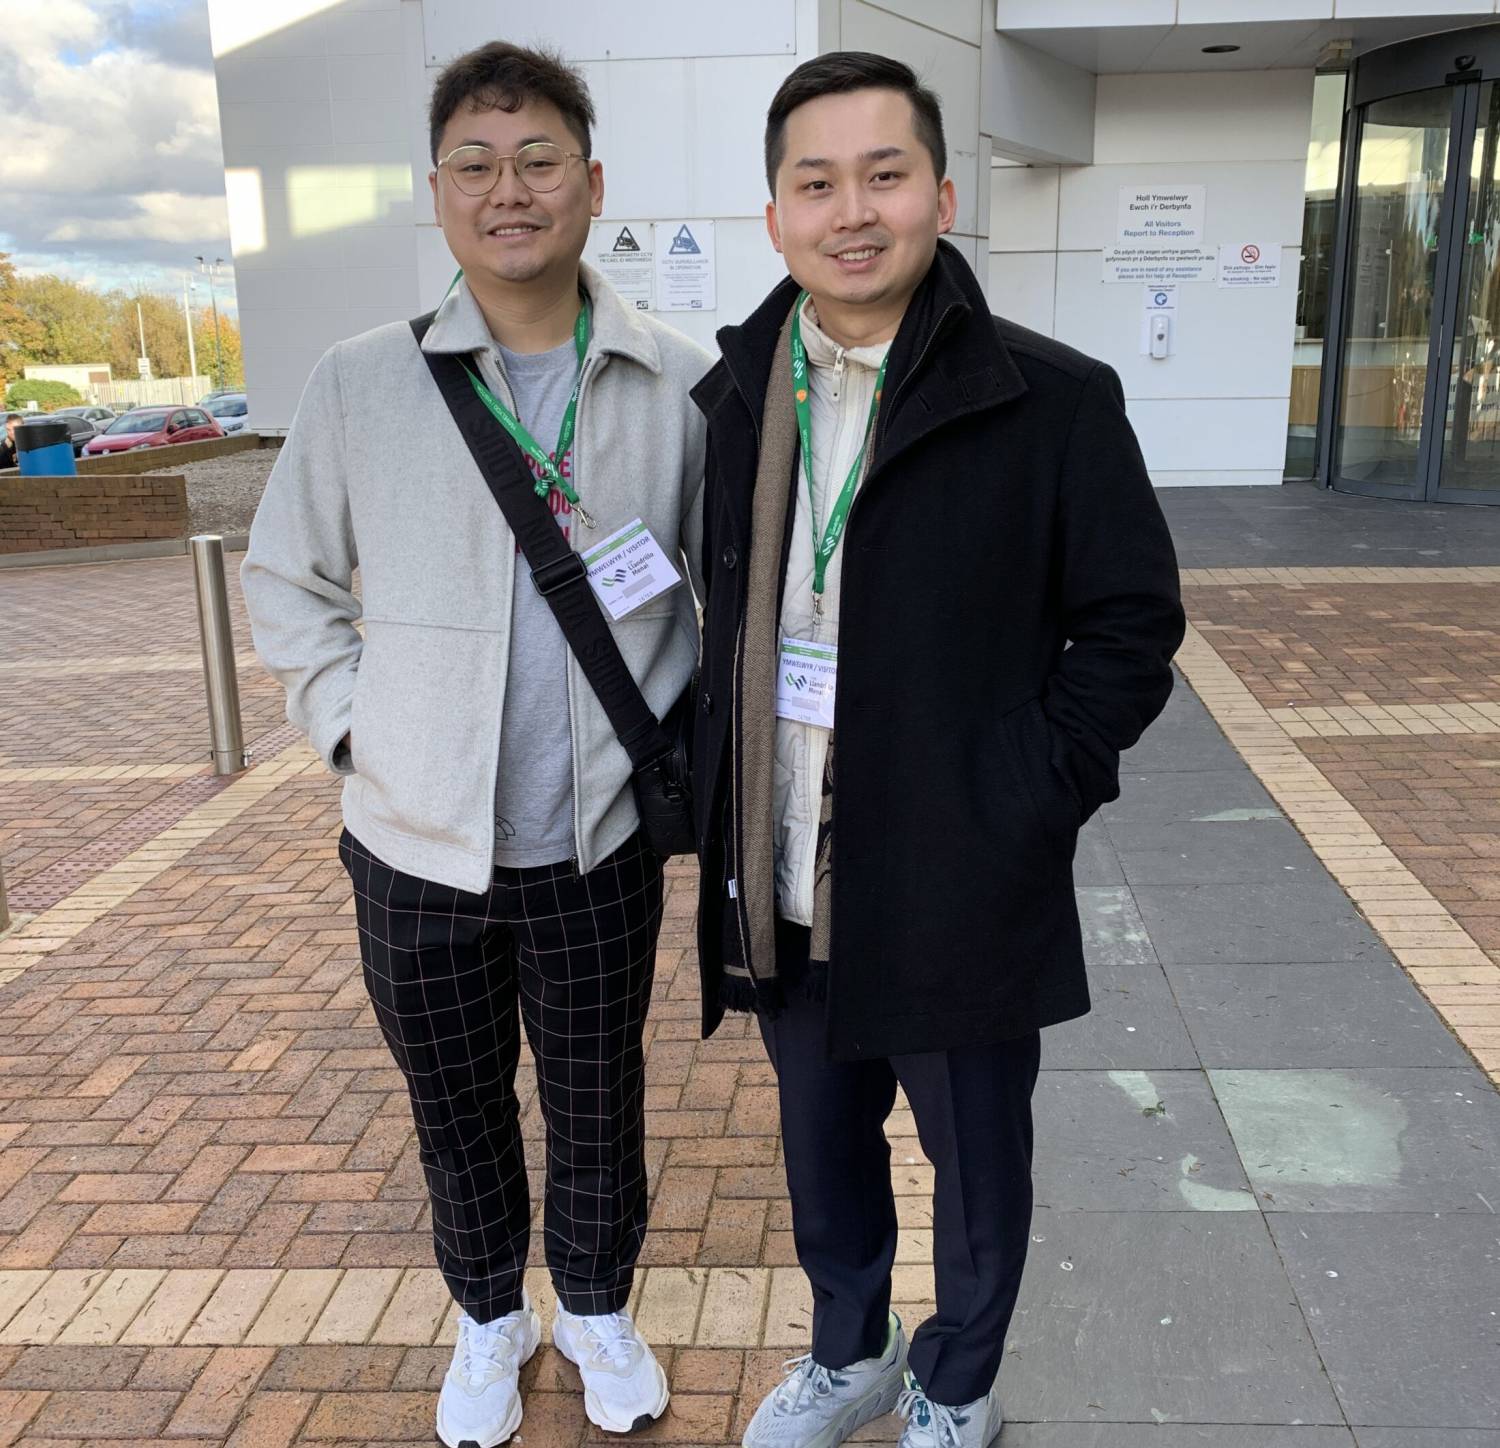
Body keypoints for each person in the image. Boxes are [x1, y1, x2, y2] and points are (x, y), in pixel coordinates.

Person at [688, 52, 1185, 1448]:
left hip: (961, 869)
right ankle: (846, 1352)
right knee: (821, 1150)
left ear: (941, 194)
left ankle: (957, 1380)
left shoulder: (1050, 396)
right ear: (776, 214)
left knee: (975, 1168)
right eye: (818, 182)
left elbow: (1131, 625)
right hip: (785, 862)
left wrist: (1029, 795)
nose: (854, 210)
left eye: (885, 174)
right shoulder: (736, 398)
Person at [241, 40, 711, 1448]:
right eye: (476, 164)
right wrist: (351, 734)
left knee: (596, 1101)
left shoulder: (676, 384)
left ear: (592, 182)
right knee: (455, 1111)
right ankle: (489, 1328)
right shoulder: (359, 383)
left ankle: (600, 1311)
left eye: (539, 160)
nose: (509, 190)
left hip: (598, 845)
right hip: (410, 845)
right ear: (438, 192)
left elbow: (720, 590)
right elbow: (289, 580)